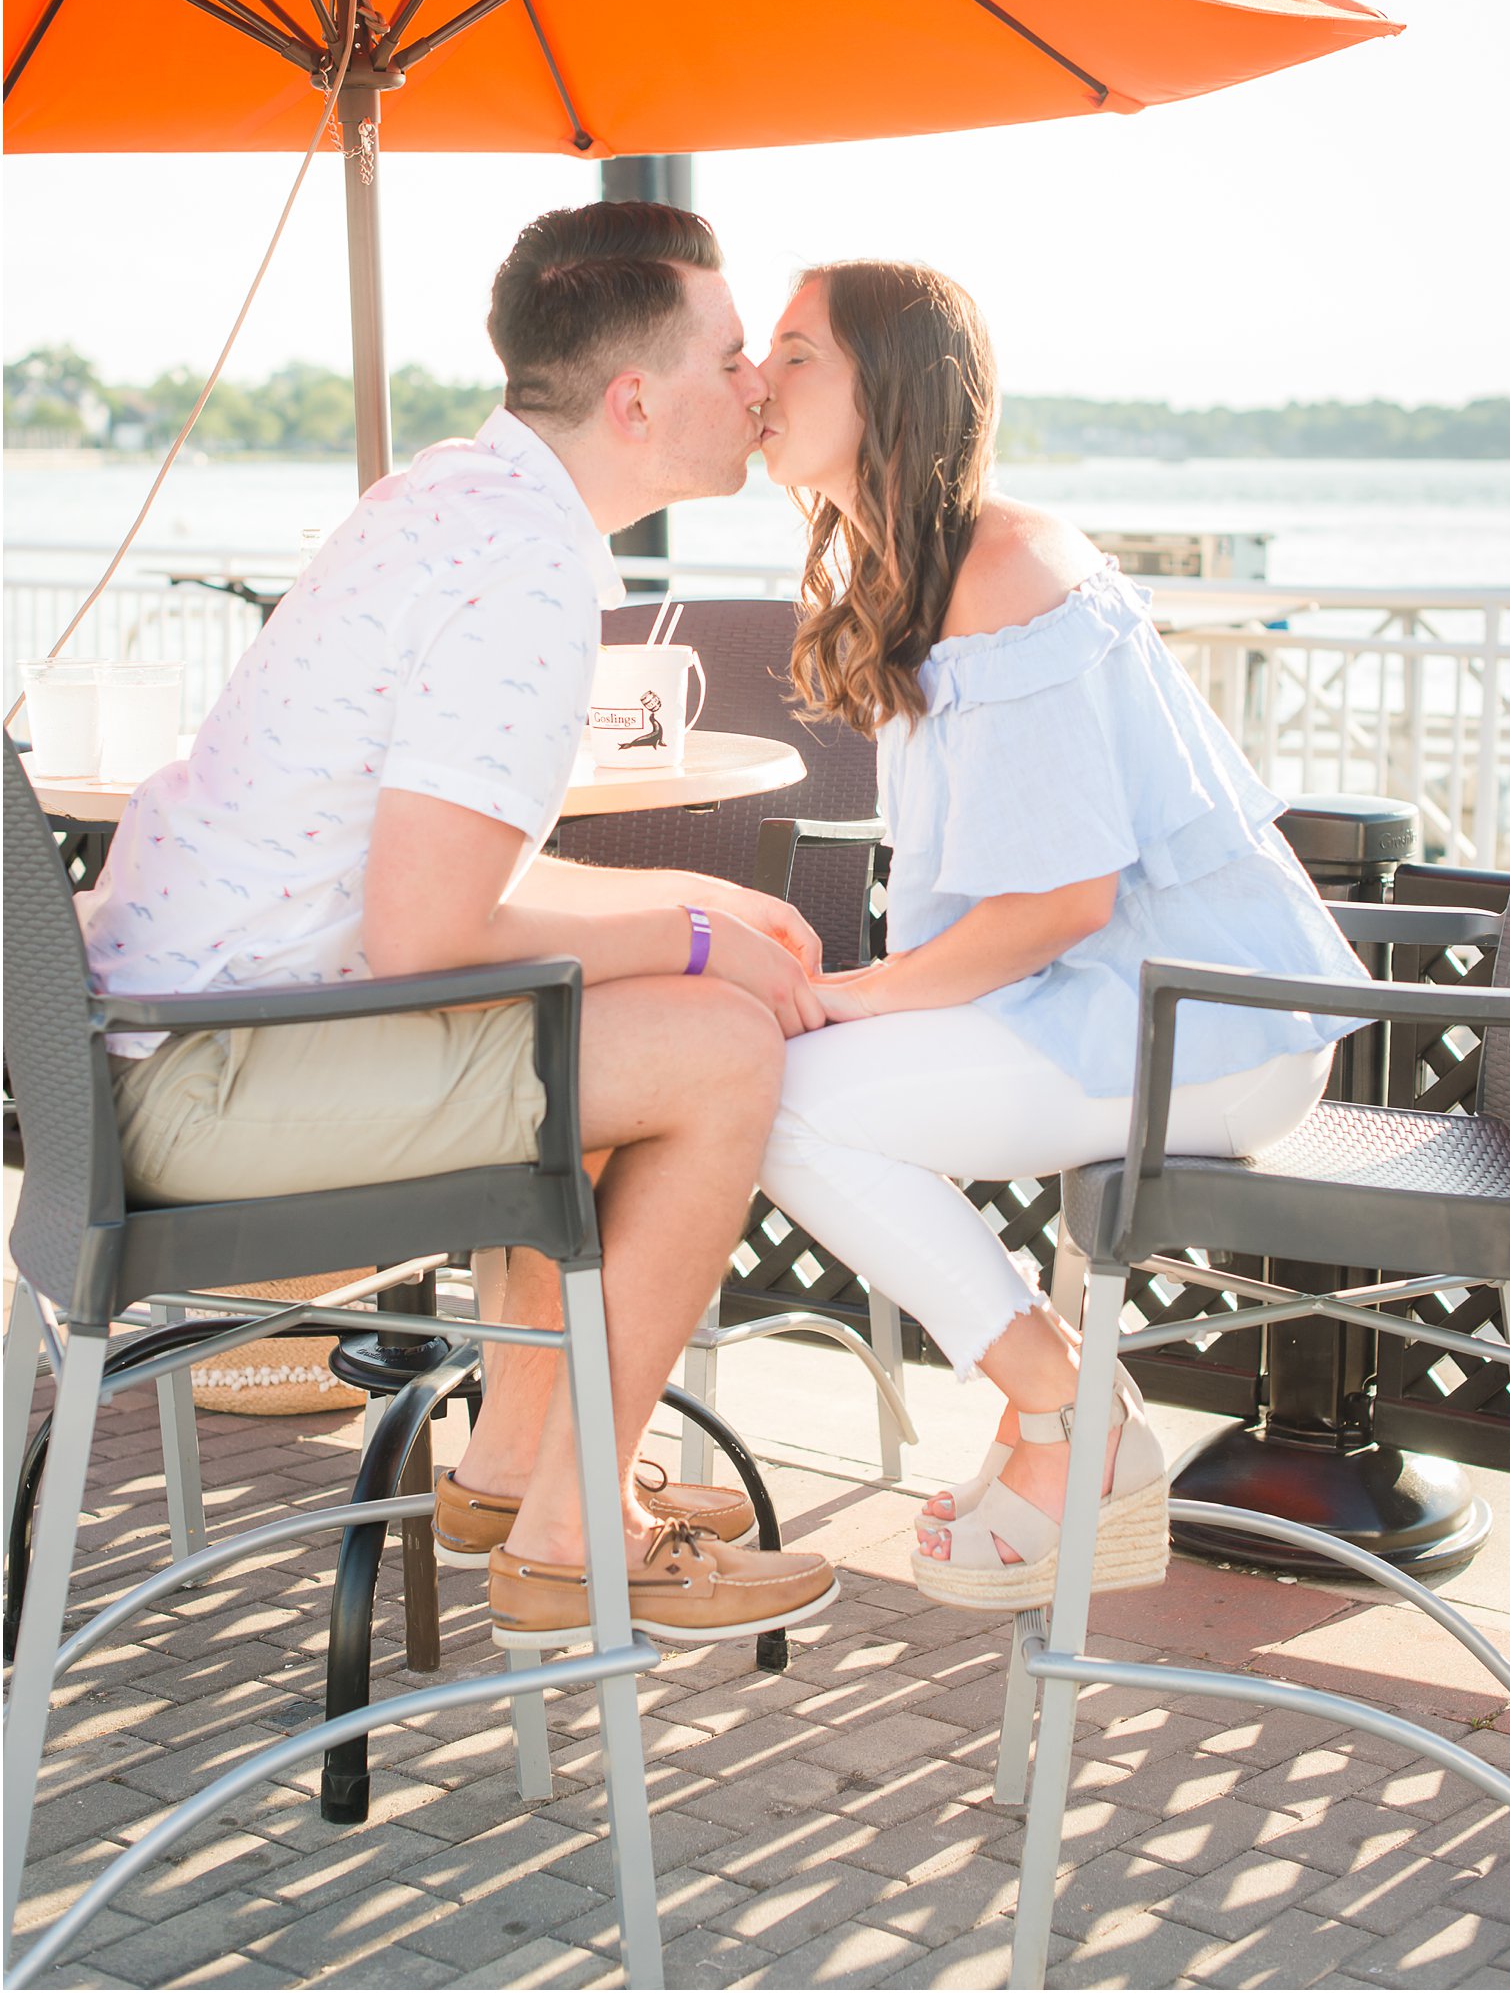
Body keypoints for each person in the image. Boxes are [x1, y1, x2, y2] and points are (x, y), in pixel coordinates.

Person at [76, 201, 840, 1650]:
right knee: (720, 1053)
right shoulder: (528, 567)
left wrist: (692, 906)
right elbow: (432, 935)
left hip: (150, 1047)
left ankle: (510, 1475)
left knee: (625, 1031)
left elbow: (442, 905)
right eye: (734, 357)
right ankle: (572, 1536)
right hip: (206, 1084)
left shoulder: (452, 496)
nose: (757, 388)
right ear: (636, 398)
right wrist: (694, 944)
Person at [752, 259, 1370, 1610]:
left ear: (889, 387)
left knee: (784, 1098)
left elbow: (1062, 903)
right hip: (1118, 1006)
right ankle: (1051, 1417)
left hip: (1199, 1023)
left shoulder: (1003, 565)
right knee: (783, 1080)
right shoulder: (919, 564)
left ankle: (1064, 1417)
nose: (757, 377)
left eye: (796, 352)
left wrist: (866, 995)